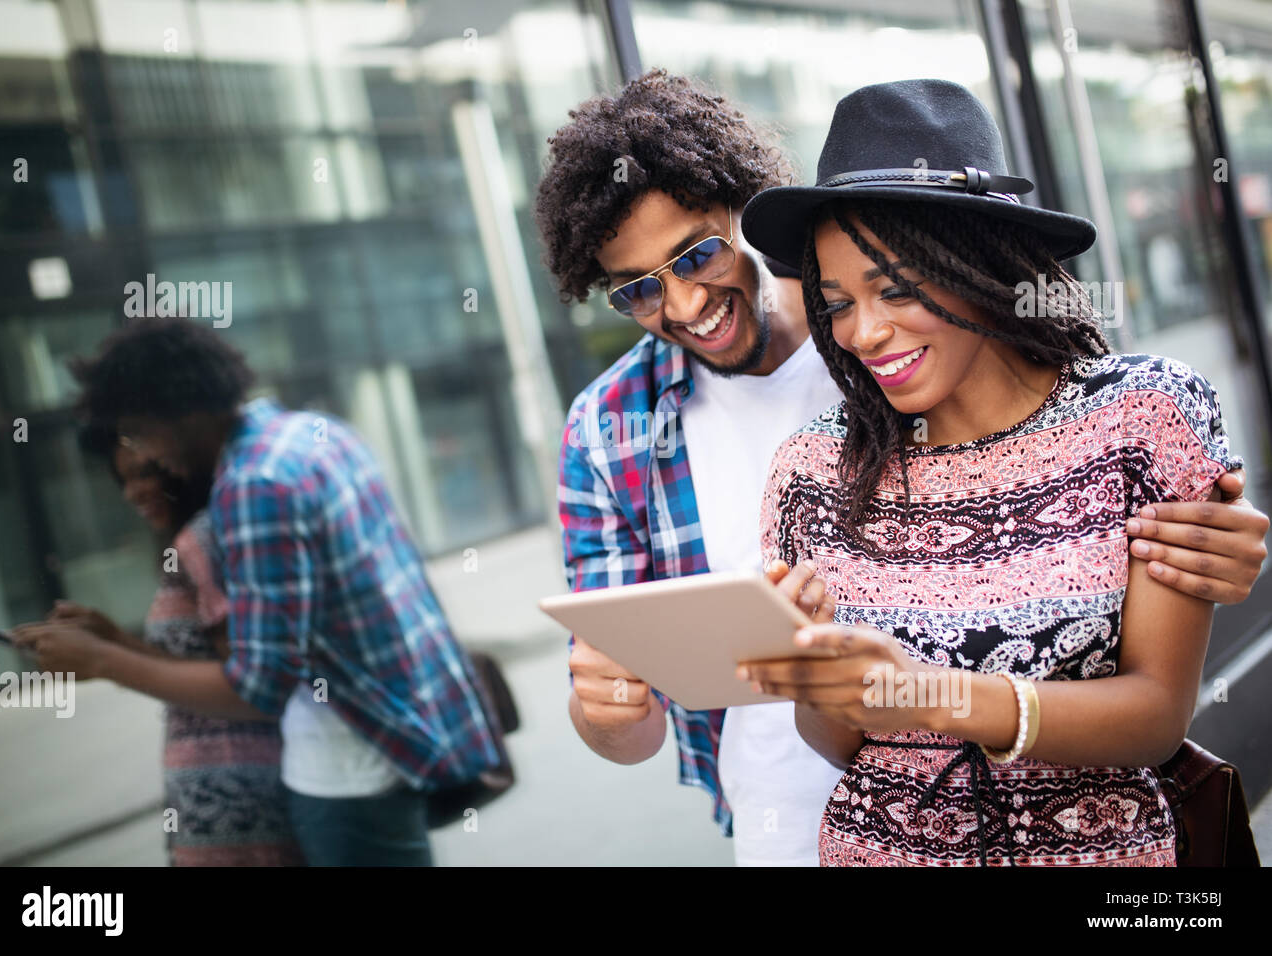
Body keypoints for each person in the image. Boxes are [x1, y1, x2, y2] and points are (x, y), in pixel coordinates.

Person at [536, 68, 1269, 866]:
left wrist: (1215, 542)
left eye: (697, 255)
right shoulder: (632, 434)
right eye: (639, 291)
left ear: (742, 217)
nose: (680, 305)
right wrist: (609, 711)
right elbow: (640, 700)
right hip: (793, 822)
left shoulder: (1085, 400)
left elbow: (1155, 694)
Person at [742, 77, 1257, 865]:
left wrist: (934, 697)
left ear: (981, 265)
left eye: (896, 288)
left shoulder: (1141, 417)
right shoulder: (814, 471)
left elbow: (1157, 716)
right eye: (837, 302)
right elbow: (844, 747)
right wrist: (816, 675)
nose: (863, 332)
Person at [15, 317, 502, 866]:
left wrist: (104, 661)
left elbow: (258, 686)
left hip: (347, 774)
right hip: (401, 741)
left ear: (179, 413)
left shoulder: (254, 485)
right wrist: (116, 646)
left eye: (140, 431)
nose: (146, 455)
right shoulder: (314, 432)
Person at [29, 423, 303, 865]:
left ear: (178, 463)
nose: (132, 494)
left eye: (144, 473)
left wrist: (104, 659)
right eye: (124, 480)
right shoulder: (198, 537)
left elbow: (249, 689)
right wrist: (114, 638)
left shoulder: (203, 539)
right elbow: (204, 664)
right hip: (226, 813)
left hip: (243, 817)